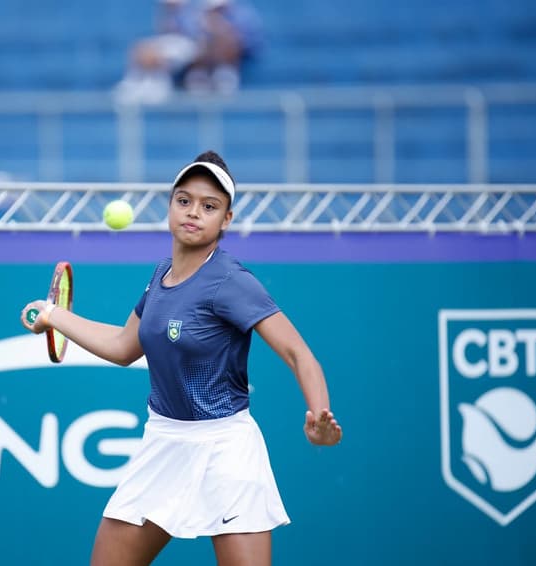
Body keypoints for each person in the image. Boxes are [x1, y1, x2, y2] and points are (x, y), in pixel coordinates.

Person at [20, 150, 342, 566]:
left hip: (226, 448)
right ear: (170, 206)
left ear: (226, 220)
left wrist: (320, 413)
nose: (194, 213)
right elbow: (123, 347)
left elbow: (299, 354)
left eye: (209, 206)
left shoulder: (232, 282)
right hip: (164, 442)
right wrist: (55, 317)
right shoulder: (160, 276)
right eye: (184, 201)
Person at [114, 0, 202, 105]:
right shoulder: (167, 13)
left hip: (191, 43)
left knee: (156, 54)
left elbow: (194, 32)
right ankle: (136, 81)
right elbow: (163, 31)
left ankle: (159, 85)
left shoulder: (193, 11)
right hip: (173, 41)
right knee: (140, 48)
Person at [184, 0, 265, 95]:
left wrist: (221, 29)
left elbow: (252, 42)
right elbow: (188, 36)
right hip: (205, 55)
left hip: (237, 55)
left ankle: (224, 74)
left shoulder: (243, 14)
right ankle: (200, 74)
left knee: (225, 40)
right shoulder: (197, 14)